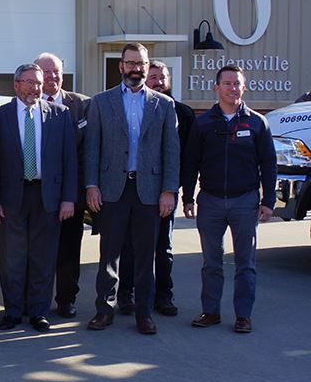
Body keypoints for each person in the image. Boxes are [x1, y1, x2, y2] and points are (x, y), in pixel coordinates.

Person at [84, 43, 179, 335]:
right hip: (113, 189)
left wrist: (169, 191)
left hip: (149, 191)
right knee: (108, 254)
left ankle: (144, 314)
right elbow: (92, 148)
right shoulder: (101, 102)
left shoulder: (163, 105)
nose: (136, 68)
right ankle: (105, 310)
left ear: (148, 66)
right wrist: (91, 185)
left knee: (144, 256)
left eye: (141, 63)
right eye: (130, 63)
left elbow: (171, 151)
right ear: (121, 66)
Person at [182, 65, 277, 333]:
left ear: (243, 87)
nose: (232, 88)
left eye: (237, 83)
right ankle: (210, 311)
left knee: (245, 263)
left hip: (245, 202)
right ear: (216, 88)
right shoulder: (203, 124)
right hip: (210, 201)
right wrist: (187, 197)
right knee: (211, 262)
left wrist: (268, 200)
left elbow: (268, 164)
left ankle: (243, 316)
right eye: (227, 83)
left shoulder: (257, 123)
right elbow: (191, 163)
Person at [0, 63, 77, 332]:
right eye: (28, 82)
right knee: (12, 258)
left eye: (38, 83)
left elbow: (69, 160)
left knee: (43, 257)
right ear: (16, 85)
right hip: (11, 196)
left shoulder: (60, 115)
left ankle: (39, 311)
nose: (34, 87)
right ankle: (13, 311)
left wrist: (68, 199)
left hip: (46, 196)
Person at [117, 60, 195, 317]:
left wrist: (178, 193)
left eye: (163, 77)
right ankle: (126, 294)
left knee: (163, 248)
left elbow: (184, 158)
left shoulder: (181, 112)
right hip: (134, 190)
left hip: (165, 193)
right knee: (129, 246)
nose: (159, 82)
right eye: (154, 77)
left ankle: (163, 296)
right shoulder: (129, 107)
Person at [35, 52, 91, 319]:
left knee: (69, 250)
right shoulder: (28, 104)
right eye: (46, 73)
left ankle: (67, 298)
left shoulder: (82, 105)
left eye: (56, 71)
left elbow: (89, 151)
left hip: (72, 194)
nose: (52, 77)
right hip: (37, 194)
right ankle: (36, 301)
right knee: (40, 251)